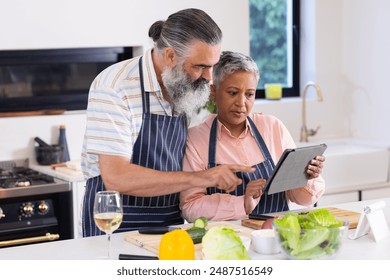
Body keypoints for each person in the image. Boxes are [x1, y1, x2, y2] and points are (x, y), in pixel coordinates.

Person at [80, 9, 254, 237]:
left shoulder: (182, 86)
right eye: (200, 66)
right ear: (171, 56)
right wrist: (203, 177)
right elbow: (116, 177)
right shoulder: (114, 86)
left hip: (171, 219)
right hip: (116, 219)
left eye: (212, 66)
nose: (209, 77)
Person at [180, 51, 326, 222]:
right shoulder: (196, 139)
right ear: (213, 92)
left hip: (275, 239)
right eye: (233, 93)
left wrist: (306, 177)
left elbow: (303, 199)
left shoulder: (273, 127)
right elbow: (190, 207)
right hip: (229, 242)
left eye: (249, 94)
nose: (241, 103)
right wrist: (242, 203)